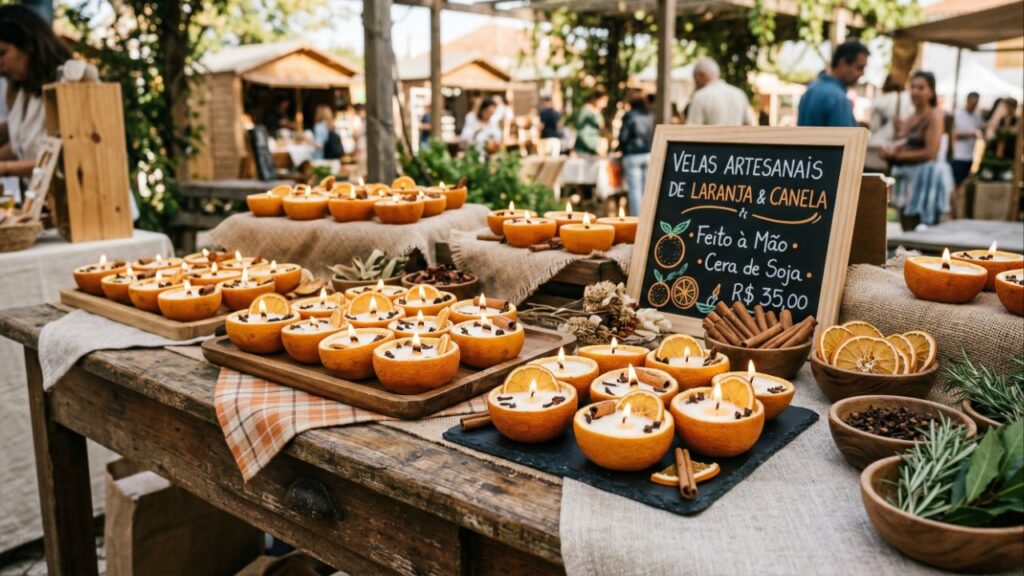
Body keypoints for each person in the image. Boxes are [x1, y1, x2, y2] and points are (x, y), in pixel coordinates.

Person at [0, 5, 71, 180]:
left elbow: (67, 155)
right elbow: (20, 146)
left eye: (2, 53)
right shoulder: (23, 92)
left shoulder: (69, 82)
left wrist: (5, 168)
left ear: (29, 45)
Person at [881, 71, 952, 230]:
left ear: (931, 92)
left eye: (921, 88)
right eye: (912, 87)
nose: (915, 92)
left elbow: (930, 153)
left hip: (923, 181)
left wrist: (897, 156)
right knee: (906, 227)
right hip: (905, 180)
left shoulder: (934, 116)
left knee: (921, 228)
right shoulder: (909, 117)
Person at [797, 40, 870, 127]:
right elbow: (846, 138)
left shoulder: (811, 89)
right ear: (843, 63)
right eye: (859, 68)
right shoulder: (837, 98)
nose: (862, 74)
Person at [686, 59, 753, 126]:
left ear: (701, 75)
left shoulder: (700, 97)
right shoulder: (739, 94)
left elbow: (692, 130)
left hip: (710, 136)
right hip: (736, 136)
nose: (695, 83)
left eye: (695, 78)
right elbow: (749, 124)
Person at [618, 94, 654, 215]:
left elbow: (623, 136)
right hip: (648, 153)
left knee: (635, 191)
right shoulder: (650, 115)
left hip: (632, 155)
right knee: (647, 190)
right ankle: (647, 217)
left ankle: (637, 220)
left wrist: (622, 149)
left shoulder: (629, 116)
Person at [951, 92, 984, 187]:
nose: (973, 106)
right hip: (958, 156)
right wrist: (972, 134)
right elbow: (953, 134)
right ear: (967, 101)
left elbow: (982, 128)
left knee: (963, 183)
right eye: (972, 103)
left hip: (970, 156)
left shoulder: (977, 116)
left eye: (976, 103)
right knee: (956, 183)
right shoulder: (957, 113)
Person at [574, 88, 607, 156]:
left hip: (594, 150)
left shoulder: (598, 112)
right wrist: (595, 147)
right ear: (596, 99)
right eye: (604, 101)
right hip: (584, 151)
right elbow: (582, 132)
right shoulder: (585, 112)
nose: (605, 104)